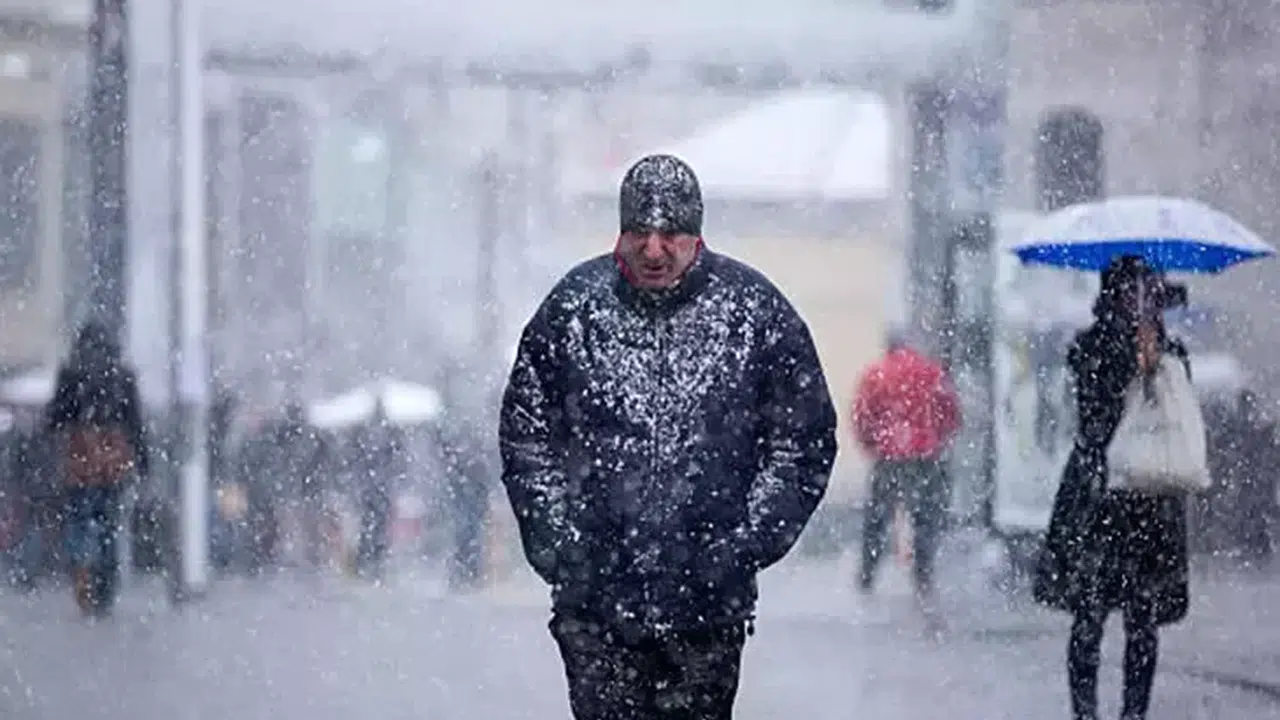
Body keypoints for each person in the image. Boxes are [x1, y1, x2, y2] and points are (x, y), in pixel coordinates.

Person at [499, 154, 837, 719]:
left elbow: (803, 441)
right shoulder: (573, 310)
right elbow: (527, 434)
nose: (654, 249)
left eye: (671, 234)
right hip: (597, 610)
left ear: (696, 236)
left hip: (706, 613)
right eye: (640, 232)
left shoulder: (754, 314)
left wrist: (744, 544)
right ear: (620, 232)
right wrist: (558, 543)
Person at [1034, 256, 1191, 720]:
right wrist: (1135, 359)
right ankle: (1085, 712)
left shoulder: (1167, 350)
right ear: (1115, 295)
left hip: (1146, 494)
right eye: (1136, 292)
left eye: (1150, 292)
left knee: (1142, 619)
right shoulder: (1091, 346)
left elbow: (1177, 408)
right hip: (1099, 493)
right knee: (1090, 613)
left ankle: (1133, 713)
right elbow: (1096, 411)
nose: (1144, 301)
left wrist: (1156, 356)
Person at [851, 328, 960, 614]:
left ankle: (867, 574)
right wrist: (937, 438)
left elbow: (862, 414)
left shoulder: (876, 374)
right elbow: (950, 412)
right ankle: (923, 575)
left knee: (877, 519)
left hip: (889, 456)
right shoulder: (931, 373)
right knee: (925, 518)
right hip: (926, 456)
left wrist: (873, 445)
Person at [45, 320, 149, 617]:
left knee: (79, 521)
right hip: (113, 458)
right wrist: (142, 461)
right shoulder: (122, 375)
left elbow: (56, 417)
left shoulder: (71, 372)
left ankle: (82, 579)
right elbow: (135, 422)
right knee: (109, 527)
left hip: (80, 457)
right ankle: (104, 588)